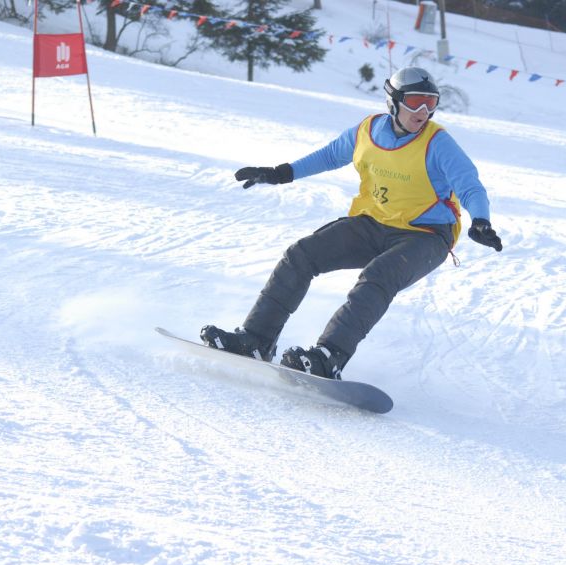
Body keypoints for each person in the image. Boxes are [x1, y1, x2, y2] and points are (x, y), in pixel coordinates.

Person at [200, 67, 503, 379]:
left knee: (378, 275)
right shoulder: (368, 131)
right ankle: (256, 340)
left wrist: (480, 220)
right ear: (394, 101)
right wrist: (281, 173)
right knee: (301, 255)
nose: (423, 111)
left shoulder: (438, 143)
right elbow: (331, 155)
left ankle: (328, 357)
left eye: (431, 103)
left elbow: (470, 186)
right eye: (415, 101)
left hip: (425, 235)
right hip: (372, 224)